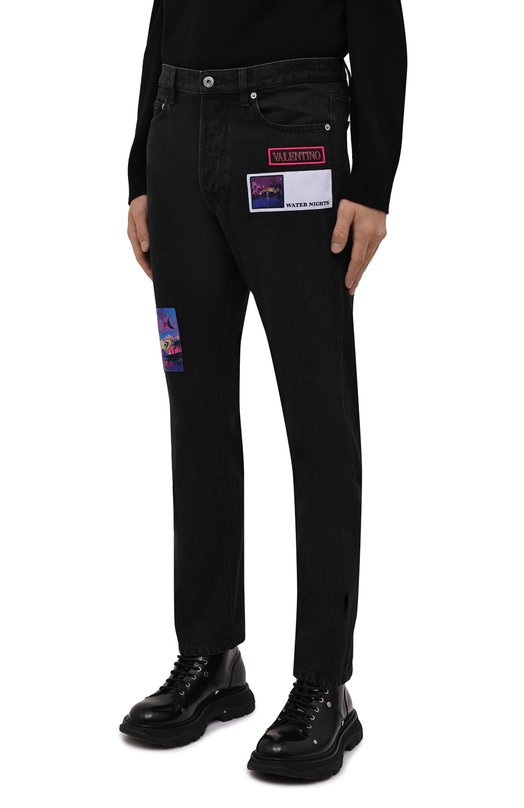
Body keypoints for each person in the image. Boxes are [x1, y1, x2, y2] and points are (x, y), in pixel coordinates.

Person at [120, 0, 407, 781]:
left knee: (318, 415)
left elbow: (379, 19)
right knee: (195, 409)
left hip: (290, 130)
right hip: (179, 129)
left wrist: (374, 182)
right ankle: (210, 656)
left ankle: (324, 681)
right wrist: (143, 170)